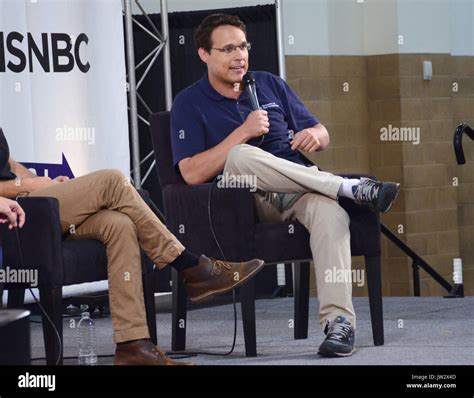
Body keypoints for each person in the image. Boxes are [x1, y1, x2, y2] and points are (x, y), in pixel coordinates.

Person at [170, 14, 401, 357]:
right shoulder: (189, 102)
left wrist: (315, 136)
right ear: (204, 54)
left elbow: (322, 132)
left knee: (330, 213)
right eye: (228, 49)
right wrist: (243, 132)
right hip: (244, 198)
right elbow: (190, 173)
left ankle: (339, 323)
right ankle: (347, 187)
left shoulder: (269, 84)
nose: (240, 56)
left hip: (297, 189)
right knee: (239, 155)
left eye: (244, 47)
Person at [0, 127, 264, 365]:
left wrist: (36, 179)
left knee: (120, 224)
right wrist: (31, 185)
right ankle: (189, 266)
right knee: (113, 181)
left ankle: (132, 346)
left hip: (33, 200)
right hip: (15, 214)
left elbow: (8, 165)